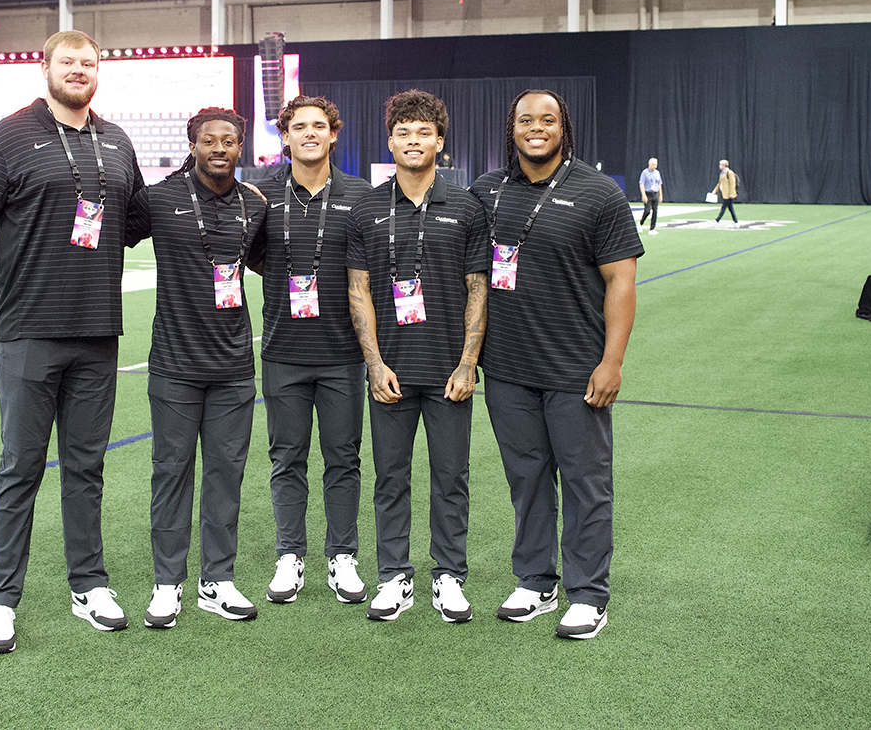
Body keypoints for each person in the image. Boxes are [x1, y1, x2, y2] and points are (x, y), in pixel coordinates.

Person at [0, 30, 143, 653]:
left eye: (89, 63)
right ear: (46, 68)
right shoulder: (9, 135)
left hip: (96, 332)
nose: (80, 70)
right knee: (21, 468)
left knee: (86, 468)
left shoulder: (117, 141)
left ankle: (89, 584)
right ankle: (0, 600)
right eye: (69, 62)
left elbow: (144, 216)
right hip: (27, 328)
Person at [470, 89, 642, 640]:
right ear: (511, 128)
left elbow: (621, 281)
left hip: (575, 368)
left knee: (587, 483)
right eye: (526, 120)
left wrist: (611, 361)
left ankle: (589, 593)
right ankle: (536, 581)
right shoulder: (486, 192)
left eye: (547, 120)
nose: (536, 128)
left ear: (563, 128)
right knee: (526, 479)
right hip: (506, 369)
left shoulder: (598, 193)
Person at [347, 89, 488, 623]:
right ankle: (394, 577)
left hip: (450, 371)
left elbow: (479, 287)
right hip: (392, 373)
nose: (413, 141)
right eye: (403, 132)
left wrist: (468, 363)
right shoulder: (367, 210)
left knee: (451, 477)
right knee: (390, 477)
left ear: (440, 142)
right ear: (390, 140)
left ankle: (449, 577)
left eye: (423, 132)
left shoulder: (467, 207)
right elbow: (358, 290)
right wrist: (374, 364)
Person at [131, 107, 267, 629]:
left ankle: (218, 580)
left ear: (240, 148)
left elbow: (264, 261)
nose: (219, 148)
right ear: (193, 145)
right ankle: (168, 584)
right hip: (174, 365)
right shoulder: (160, 200)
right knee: (171, 474)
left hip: (234, 366)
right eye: (208, 140)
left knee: (226, 476)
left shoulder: (254, 206)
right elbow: (111, 236)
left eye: (229, 141)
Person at [252, 96, 373, 606]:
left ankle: (342, 555)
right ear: (284, 136)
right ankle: (290, 555)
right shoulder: (259, 195)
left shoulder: (360, 195)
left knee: (343, 459)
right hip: (282, 349)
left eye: (318, 126)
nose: (308, 134)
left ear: (333, 134)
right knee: (287, 458)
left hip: (343, 354)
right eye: (298, 126)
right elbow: (251, 257)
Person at [637, 157, 662, 234]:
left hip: (655, 193)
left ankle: (652, 228)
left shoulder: (657, 173)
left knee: (655, 211)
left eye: (656, 164)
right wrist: (643, 195)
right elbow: (641, 184)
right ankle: (640, 223)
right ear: (649, 164)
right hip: (648, 193)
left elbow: (659, 184)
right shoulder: (645, 172)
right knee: (647, 210)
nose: (655, 166)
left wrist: (660, 195)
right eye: (654, 164)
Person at [711, 159, 739, 226]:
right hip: (724, 193)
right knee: (730, 208)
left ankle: (717, 220)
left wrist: (732, 193)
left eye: (720, 165)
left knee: (724, 207)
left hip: (728, 194)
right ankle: (736, 221)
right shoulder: (722, 173)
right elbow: (720, 183)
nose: (719, 166)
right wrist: (715, 190)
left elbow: (732, 183)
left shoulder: (730, 173)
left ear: (724, 165)